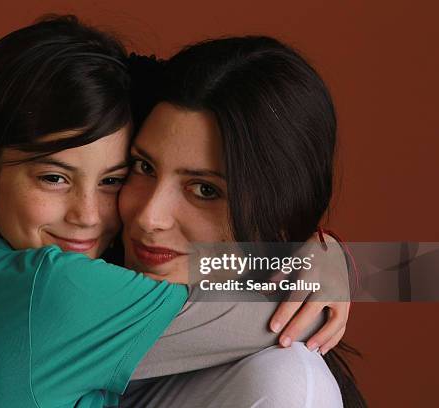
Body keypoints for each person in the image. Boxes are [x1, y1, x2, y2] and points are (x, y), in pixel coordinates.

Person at [0, 15, 355, 408]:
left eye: (111, 179)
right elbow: (289, 316)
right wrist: (324, 260)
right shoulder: (53, 289)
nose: (145, 218)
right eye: (53, 178)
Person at [118, 37, 366, 407]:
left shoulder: (280, 391)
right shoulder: (62, 270)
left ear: (279, 216)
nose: (148, 217)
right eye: (144, 167)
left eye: (204, 190)